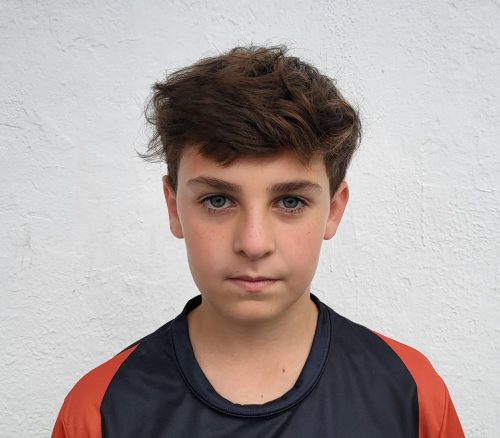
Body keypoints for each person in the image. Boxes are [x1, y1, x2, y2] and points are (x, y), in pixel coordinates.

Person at [52, 45, 464, 437]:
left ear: (333, 210)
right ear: (174, 207)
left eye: (290, 201)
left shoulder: (411, 393)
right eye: (217, 200)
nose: (253, 243)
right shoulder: (99, 411)